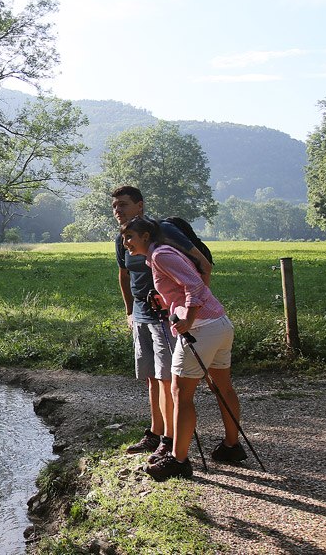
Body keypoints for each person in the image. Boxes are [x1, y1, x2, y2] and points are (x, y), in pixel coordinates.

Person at [120, 216, 245, 481]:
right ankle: (231, 447)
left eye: (130, 236)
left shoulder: (161, 255)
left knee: (180, 393)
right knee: (223, 387)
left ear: (145, 236)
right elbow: (184, 285)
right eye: (124, 237)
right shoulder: (158, 256)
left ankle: (178, 460)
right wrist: (165, 301)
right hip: (219, 325)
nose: (126, 242)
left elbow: (195, 285)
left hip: (200, 329)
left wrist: (187, 318)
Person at [110, 186, 212, 462]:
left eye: (124, 204)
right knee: (152, 377)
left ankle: (169, 440)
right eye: (115, 206)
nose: (118, 210)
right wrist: (129, 311)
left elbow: (203, 264)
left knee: (168, 377)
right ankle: (155, 433)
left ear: (140, 206)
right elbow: (124, 276)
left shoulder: (162, 232)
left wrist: (192, 310)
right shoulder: (123, 239)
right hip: (142, 314)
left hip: (165, 316)